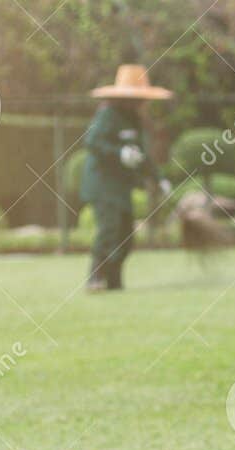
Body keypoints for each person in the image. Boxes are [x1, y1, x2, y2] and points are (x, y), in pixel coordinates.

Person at [80, 65, 171, 292]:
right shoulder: (107, 115)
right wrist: (118, 152)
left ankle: (114, 280)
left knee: (126, 236)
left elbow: (142, 154)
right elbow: (92, 142)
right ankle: (95, 277)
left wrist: (158, 179)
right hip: (102, 184)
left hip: (121, 186)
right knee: (109, 229)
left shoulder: (134, 119)